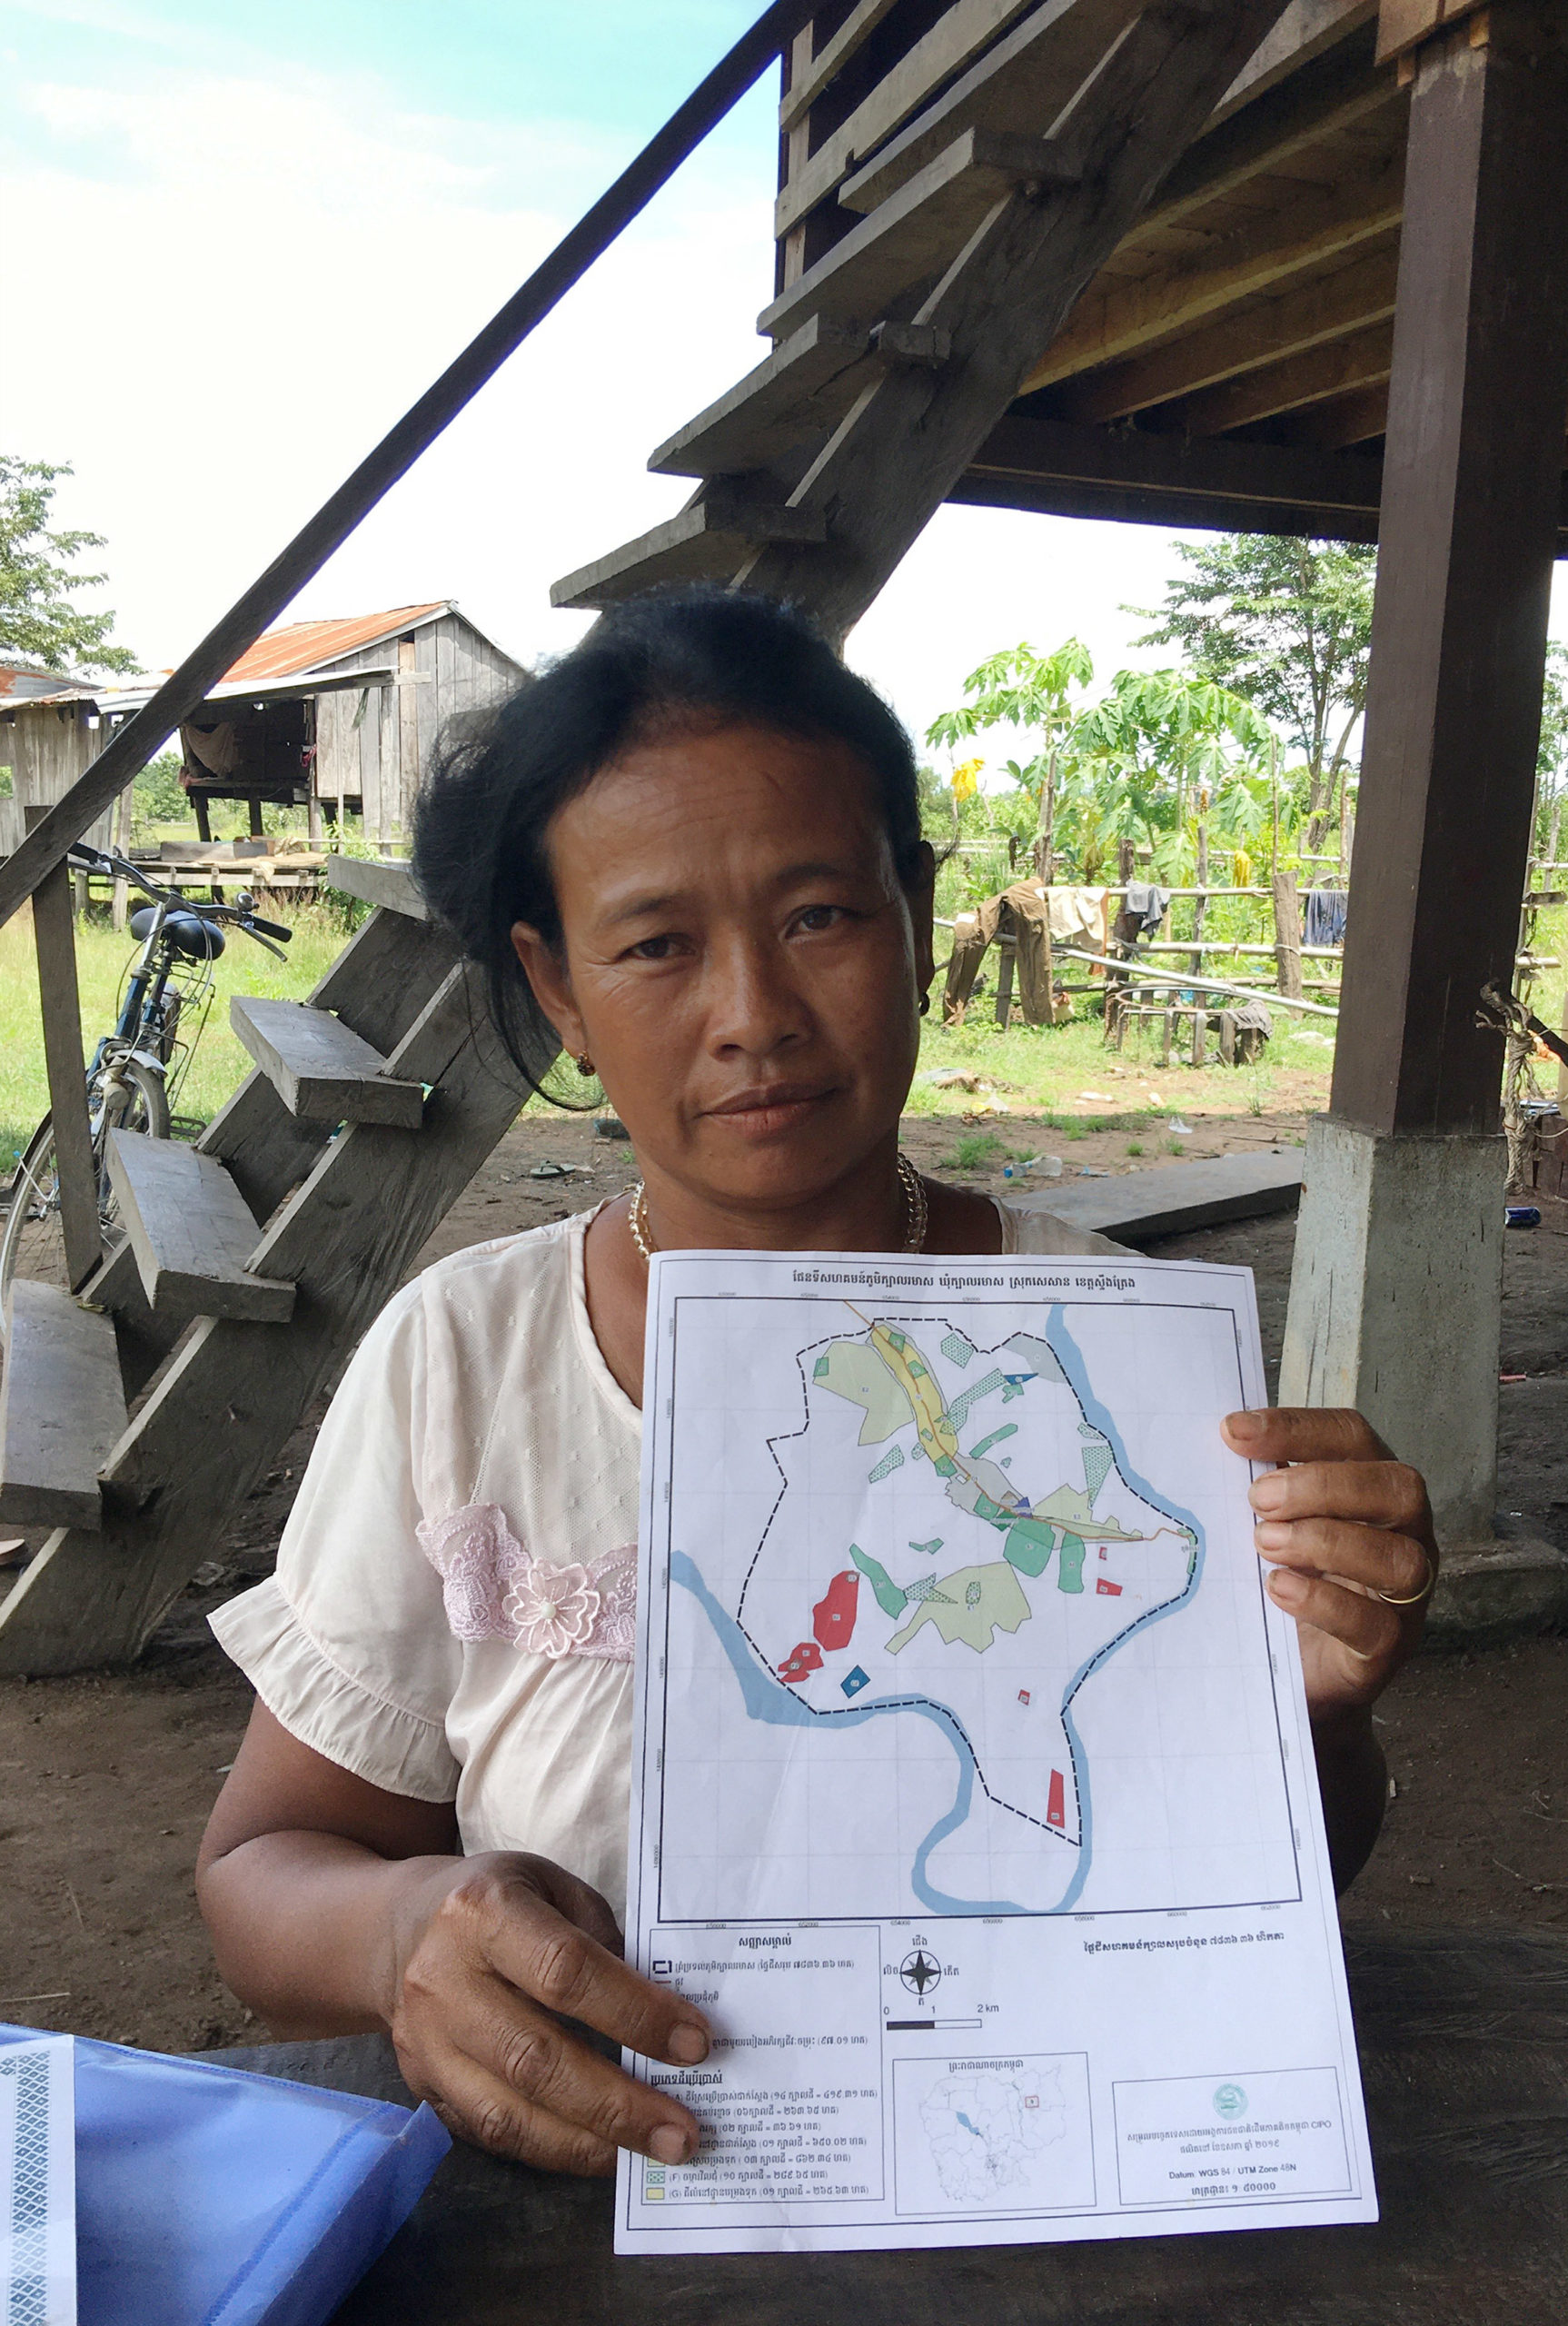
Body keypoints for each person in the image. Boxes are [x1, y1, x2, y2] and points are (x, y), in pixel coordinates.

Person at [197, 587, 1436, 2182]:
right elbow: (259, 1875)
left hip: (1039, 2177)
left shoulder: (1113, 1358)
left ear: (915, 911)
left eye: (818, 918)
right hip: (588, 2204)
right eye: (653, 946)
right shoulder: (466, 1361)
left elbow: (1289, 1864)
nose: (752, 1019)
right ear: (558, 987)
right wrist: (398, 1932)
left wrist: (1316, 1711)